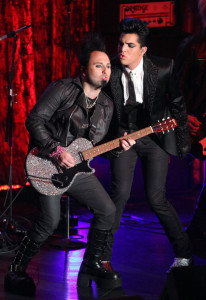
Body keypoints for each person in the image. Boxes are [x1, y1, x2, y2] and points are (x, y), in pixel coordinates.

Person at [4, 35, 134, 296]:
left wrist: (117, 148)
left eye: (108, 65)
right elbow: (34, 120)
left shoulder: (107, 106)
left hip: (77, 171)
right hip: (46, 164)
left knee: (107, 210)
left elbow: (91, 148)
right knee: (48, 222)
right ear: (83, 70)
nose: (106, 70)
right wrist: (55, 151)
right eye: (99, 65)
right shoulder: (63, 89)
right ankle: (15, 270)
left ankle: (92, 264)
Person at [102, 17, 193, 271]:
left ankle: (185, 255)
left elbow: (177, 104)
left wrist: (184, 145)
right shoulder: (109, 69)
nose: (122, 49)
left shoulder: (163, 68)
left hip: (155, 137)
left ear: (143, 50)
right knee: (118, 196)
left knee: (156, 198)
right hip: (123, 139)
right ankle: (101, 257)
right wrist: (115, 138)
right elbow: (102, 112)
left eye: (130, 45)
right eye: (120, 43)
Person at [175, 0, 206, 241]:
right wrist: (185, 116)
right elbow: (176, 88)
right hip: (200, 123)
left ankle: (196, 230)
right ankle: (196, 230)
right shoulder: (194, 46)